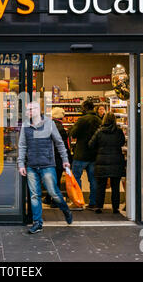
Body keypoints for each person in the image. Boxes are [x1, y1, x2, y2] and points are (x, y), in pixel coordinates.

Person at [18, 101, 73, 234]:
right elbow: (22, 146)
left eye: (32, 109)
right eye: (28, 110)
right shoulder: (25, 126)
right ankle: (38, 223)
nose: (29, 112)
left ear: (38, 110)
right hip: (31, 165)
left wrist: (65, 160)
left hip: (47, 165)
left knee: (53, 192)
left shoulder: (49, 123)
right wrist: (21, 164)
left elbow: (59, 143)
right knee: (34, 195)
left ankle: (65, 209)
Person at [88, 112, 126, 214]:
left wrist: (99, 150)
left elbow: (91, 144)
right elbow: (122, 142)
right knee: (115, 186)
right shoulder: (118, 132)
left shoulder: (99, 132)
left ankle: (99, 206)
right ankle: (115, 207)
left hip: (101, 161)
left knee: (100, 185)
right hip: (116, 161)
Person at [68, 100, 102, 210]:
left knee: (76, 178)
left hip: (81, 154)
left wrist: (71, 129)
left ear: (85, 108)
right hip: (94, 154)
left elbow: (74, 134)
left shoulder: (82, 120)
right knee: (93, 179)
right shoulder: (98, 119)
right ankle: (93, 203)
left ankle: (78, 202)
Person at [43, 107, 72, 208]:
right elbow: (63, 146)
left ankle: (48, 198)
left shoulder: (48, 125)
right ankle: (55, 202)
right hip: (57, 158)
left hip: (49, 157)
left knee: (51, 178)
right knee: (56, 179)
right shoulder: (60, 128)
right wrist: (68, 159)